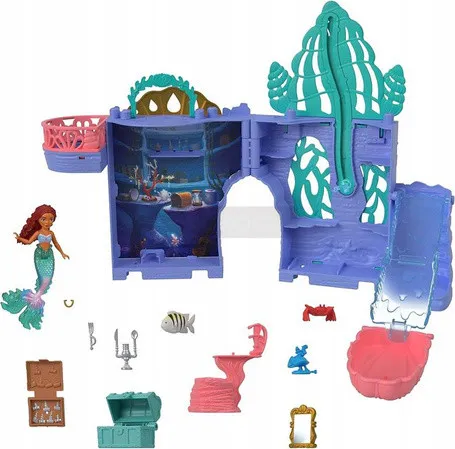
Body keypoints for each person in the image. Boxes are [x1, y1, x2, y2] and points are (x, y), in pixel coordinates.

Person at [1, 205, 69, 330]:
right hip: (39, 256)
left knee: (48, 279)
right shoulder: (38, 233)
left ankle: (34, 298)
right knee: (43, 278)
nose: (47, 222)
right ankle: (30, 300)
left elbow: (56, 243)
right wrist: (19, 238)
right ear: (38, 220)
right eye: (44, 219)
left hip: (49, 256)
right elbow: (29, 242)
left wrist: (62, 253)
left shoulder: (51, 233)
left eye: (51, 219)